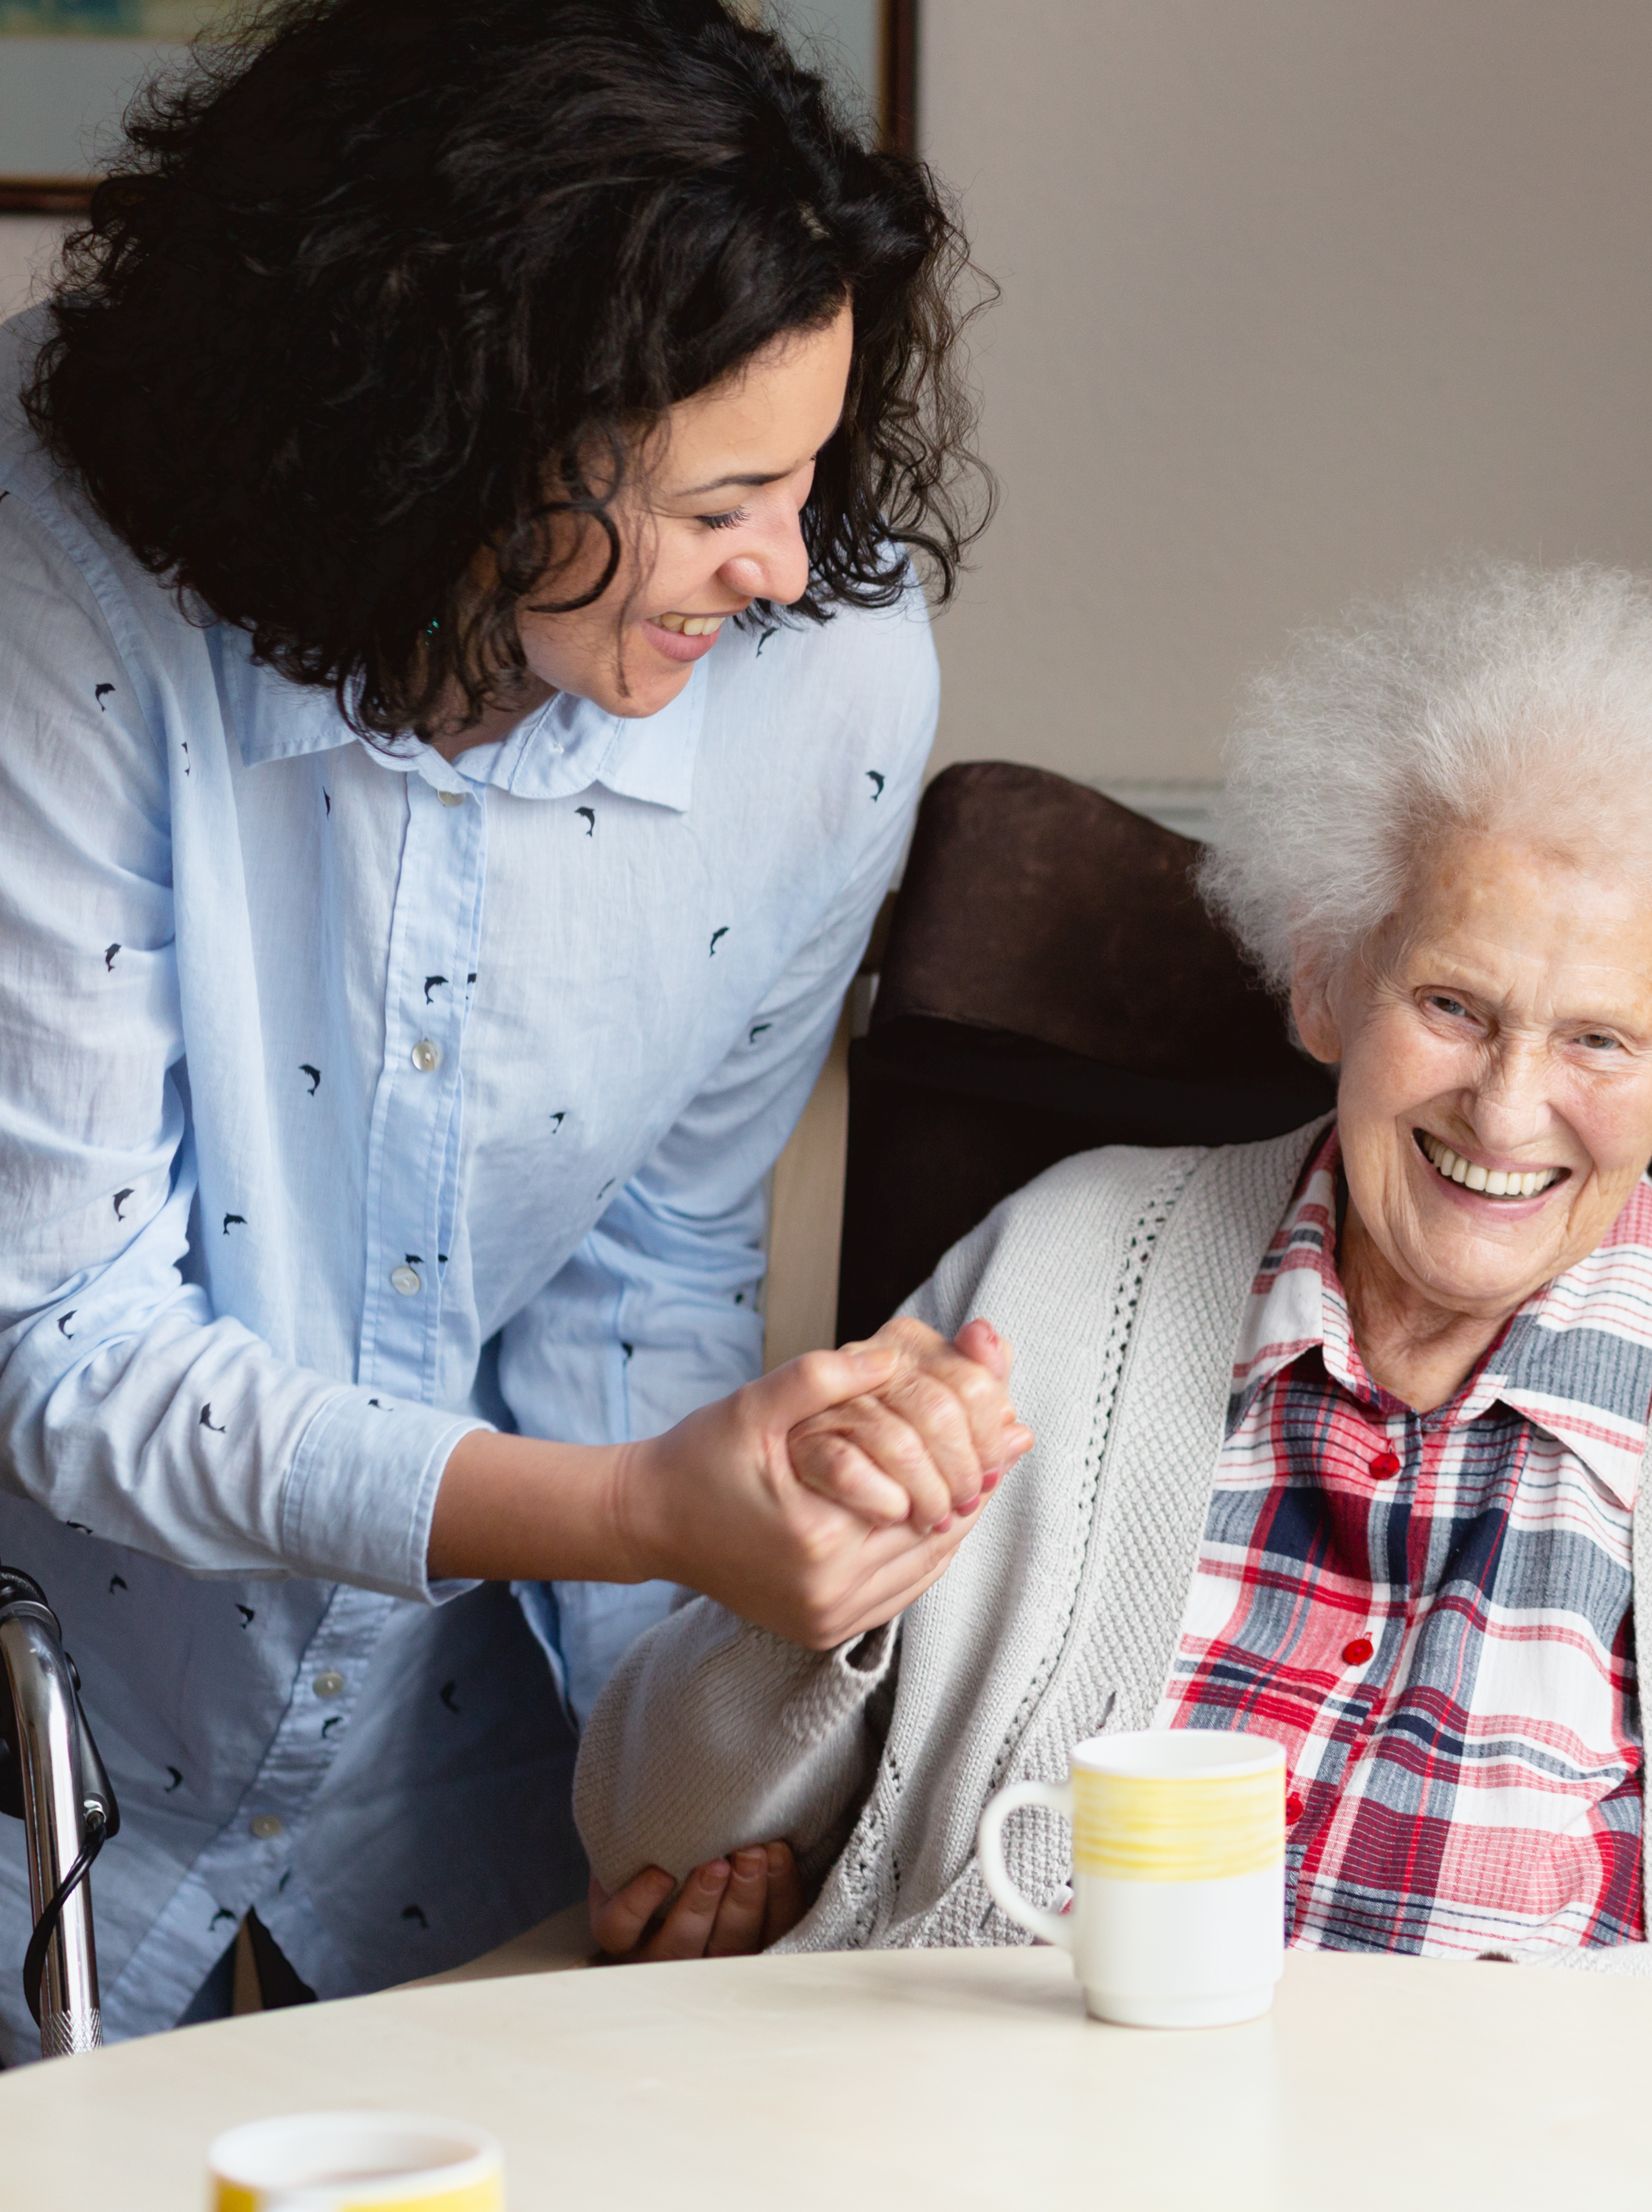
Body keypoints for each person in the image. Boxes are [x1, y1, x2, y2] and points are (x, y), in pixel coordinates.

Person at [578, 563, 1652, 2052]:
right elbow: (641, 1834)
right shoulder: (1064, 1264)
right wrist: (816, 1587)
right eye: (1452, 1005)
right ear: (1328, 980)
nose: (1510, 1110)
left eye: (1601, 1038)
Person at [0, 0, 1022, 2051]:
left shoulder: (826, 679)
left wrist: (683, 1773)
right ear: (460, 441)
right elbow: (64, 1342)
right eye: (723, 493)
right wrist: (643, 1507)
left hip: (460, 1767)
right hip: (57, 1711)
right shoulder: (71, 596)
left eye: (811, 471)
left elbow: (651, 1263)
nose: (785, 563)